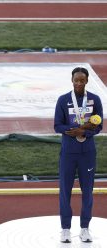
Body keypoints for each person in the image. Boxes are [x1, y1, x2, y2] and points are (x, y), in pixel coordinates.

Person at [54, 67, 103, 243]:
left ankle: (85, 228)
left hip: (87, 153)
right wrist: (72, 131)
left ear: (87, 81)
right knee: (65, 191)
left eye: (82, 80)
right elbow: (57, 126)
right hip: (68, 152)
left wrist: (84, 132)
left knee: (87, 192)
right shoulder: (63, 100)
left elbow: (98, 126)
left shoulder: (95, 100)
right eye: (76, 80)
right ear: (72, 80)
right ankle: (65, 229)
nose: (79, 83)